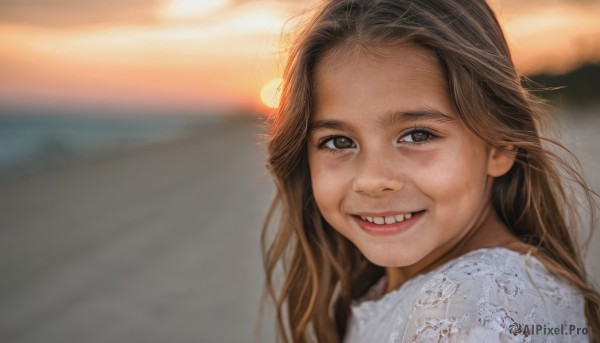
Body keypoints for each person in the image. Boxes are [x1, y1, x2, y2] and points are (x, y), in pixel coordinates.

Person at [261, 0, 600, 342]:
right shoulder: (414, 288)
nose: (373, 180)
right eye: (338, 142)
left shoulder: (473, 304)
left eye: (417, 135)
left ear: (499, 144)